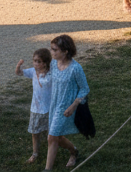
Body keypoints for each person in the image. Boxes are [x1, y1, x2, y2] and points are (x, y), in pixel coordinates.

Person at [43, 34, 90, 171]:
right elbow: (50, 79)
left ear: (65, 51)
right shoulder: (53, 63)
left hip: (66, 107)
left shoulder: (75, 68)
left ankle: (48, 169)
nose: (51, 52)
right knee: (57, 136)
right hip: (54, 104)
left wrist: (73, 105)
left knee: (51, 137)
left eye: (55, 50)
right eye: (51, 49)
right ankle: (74, 151)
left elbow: (84, 89)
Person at [15, 48, 53, 165]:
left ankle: (51, 154)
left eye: (39, 61)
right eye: (34, 61)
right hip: (35, 109)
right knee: (35, 133)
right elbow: (19, 73)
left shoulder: (51, 74)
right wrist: (18, 65)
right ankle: (35, 153)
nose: (36, 63)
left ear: (45, 62)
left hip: (48, 109)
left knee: (50, 135)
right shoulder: (32, 71)